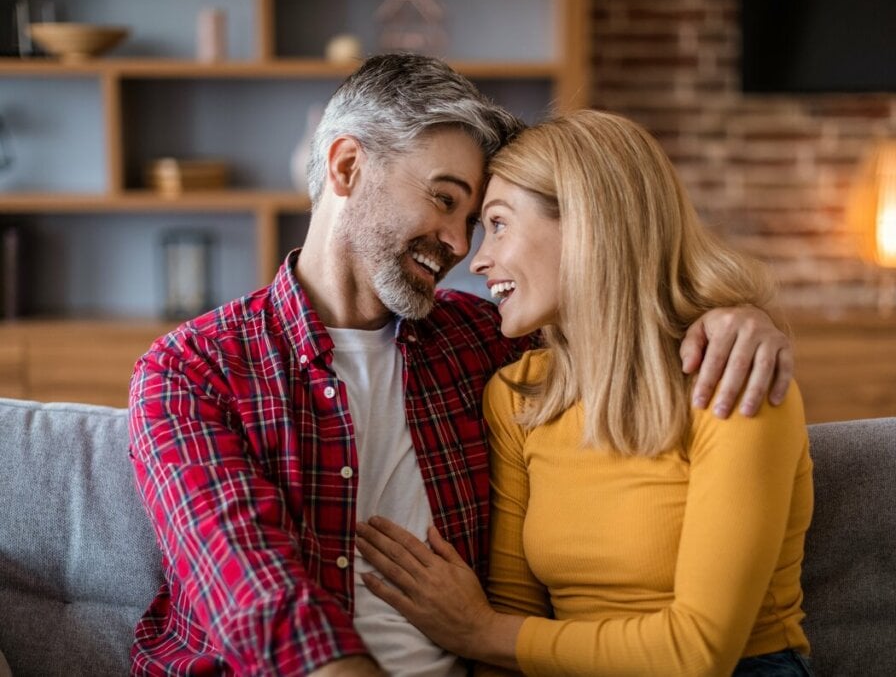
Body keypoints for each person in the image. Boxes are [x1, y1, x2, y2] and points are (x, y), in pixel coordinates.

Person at [128, 55, 794, 677]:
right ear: (347, 167)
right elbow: (258, 603)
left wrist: (737, 317)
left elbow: (619, 336)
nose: (460, 245)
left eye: (480, 220)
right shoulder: (192, 371)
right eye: (445, 199)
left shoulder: (484, 346)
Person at [355, 109, 814, 676]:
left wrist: (479, 631)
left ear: (586, 222)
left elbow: (697, 653)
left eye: (498, 224)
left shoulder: (731, 381)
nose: (476, 260)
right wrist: (488, 636)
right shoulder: (519, 394)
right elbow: (516, 618)